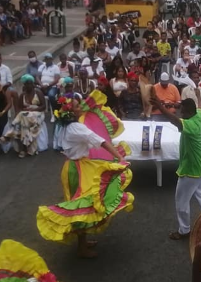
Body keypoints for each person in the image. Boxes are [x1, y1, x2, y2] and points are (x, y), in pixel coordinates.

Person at [37, 90, 134, 258]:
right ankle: (81, 248)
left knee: (86, 203)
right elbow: (101, 141)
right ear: (70, 112)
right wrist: (119, 157)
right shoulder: (76, 128)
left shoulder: (67, 126)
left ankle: (83, 242)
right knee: (82, 205)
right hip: (77, 170)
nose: (81, 107)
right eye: (76, 106)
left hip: (75, 166)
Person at [150, 92, 201, 241]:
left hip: (190, 170)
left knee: (181, 201)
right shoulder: (199, 115)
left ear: (190, 113)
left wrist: (160, 106)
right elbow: (200, 107)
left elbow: (174, 120)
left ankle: (184, 230)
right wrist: (198, 94)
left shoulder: (191, 125)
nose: (181, 114)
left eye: (184, 112)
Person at [2, 74, 46, 157]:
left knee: (23, 116)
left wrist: (33, 109)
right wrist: (26, 110)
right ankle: (25, 147)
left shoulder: (38, 92)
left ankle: (9, 136)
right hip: (26, 115)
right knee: (24, 118)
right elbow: (20, 107)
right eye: (26, 84)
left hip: (38, 113)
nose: (28, 86)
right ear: (24, 85)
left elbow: (43, 106)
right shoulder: (23, 95)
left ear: (33, 84)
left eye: (30, 83)